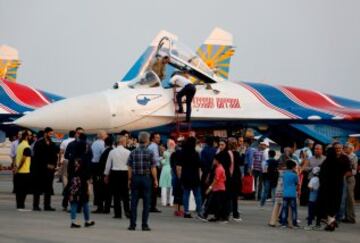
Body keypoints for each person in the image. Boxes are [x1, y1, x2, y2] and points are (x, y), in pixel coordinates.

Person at [127, 131, 158, 231]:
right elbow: (153, 167)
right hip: (146, 178)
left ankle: (132, 224)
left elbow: (129, 167)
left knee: (134, 202)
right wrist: (155, 179)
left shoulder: (133, 152)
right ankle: (144, 225)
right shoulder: (150, 152)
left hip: (135, 178)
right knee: (146, 202)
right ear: (147, 140)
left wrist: (129, 179)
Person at [317, 143, 352, 231]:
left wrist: (343, 176)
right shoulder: (329, 159)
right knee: (332, 203)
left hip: (337, 184)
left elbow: (349, 171)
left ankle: (331, 221)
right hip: (330, 185)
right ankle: (331, 222)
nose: (338, 149)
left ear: (342, 148)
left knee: (336, 202)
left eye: (340, 148)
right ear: (334, 149)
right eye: (336, 148)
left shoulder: (344, 158)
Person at [32, 127, 59, 211]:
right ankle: (35, 205)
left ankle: (47, 205)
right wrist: (46, 165)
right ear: (45, 133)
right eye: (50, 134)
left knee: (48, 187)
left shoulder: (52, 143)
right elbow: (37, 157)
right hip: (40, 169)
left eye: (52, 134)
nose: (51, 135)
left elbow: (55, 156)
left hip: (50, 170)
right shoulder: (39, 143)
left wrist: (54, 166)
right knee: (37, 188)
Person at [104, 135, 131, 219]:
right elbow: (130, 165)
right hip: (125, 172)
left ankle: (118, 213)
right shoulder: (128, 152)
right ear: (122, 142)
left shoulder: (112, 152)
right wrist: (130, 177)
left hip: (115, 173)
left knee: (116, 194)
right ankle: (127, 211)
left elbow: (108, 164)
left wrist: (106, 175)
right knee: (125, 194)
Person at [177, 137, 203, 218]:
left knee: (186, 194)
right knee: (197, 194)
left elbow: (179, 167)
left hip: (185, 175)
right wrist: (200, 176)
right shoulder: (196, 154)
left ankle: (186, 211)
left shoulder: (182, 153)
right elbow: (199, 167)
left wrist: (179, 177)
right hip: (195, 175)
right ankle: (199, 211)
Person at [68, 158, 95, 228]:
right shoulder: (84, 168)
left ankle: (74, 221)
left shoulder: (72, 168)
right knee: (85, 203)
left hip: (74, 188)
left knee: (74, 204)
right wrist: (88, 190)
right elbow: (87, 179)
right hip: (82, 188)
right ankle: (87, 221)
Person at [201, 153, 227, 223]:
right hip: (220, 188)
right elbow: (224, 179)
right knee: (216, 203)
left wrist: (209, 188)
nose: (213, 161)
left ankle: (205, 215)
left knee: (212, 202)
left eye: (214, 160)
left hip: (218, 189)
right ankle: (217, 216)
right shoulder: (221, 167)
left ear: (217, 161)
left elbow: (216, 180)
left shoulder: (218, 169)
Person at [14, 130, 32, 210]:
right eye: (30, 136)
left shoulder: (19, 145)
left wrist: (15, 168)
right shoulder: (27, 147)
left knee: (18, 190)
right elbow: (24, 159)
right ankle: (21, 205)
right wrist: (18, 168)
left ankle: (18, 204)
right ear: (26, 137)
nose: (31, 137)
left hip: (18, 171)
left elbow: (16, 157)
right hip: (24, 171)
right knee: (24, 190)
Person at [340, 143, 358, 223]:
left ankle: (351, 217)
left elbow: (354, 170)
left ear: (350, 149)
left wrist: (345, 174)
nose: (344, 149)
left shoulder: (354, 157)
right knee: (344, 198)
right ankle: (345, 216)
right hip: (343, 178)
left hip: (350, 179)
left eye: (346, 148)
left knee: (350, 198)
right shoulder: (343, 156)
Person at [90, 130, 107, 213]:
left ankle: (98, 204)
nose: (107, 136)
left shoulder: (94, 143)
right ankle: (101, 205)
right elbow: (103, 156)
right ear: (102, 136)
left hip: (93, 166)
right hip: (100, 166)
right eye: (106, 134)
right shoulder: (103, 144)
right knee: (101, 186)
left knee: (96, 186)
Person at [59, 130, 76, 211]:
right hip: (75, 162)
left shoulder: (65, 141)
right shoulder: (76, 142)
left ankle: (65, 188)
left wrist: (59, 161)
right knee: (72, 179)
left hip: (66, 160)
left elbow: (61, 152)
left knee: (65, 176)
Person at [280, 160, 299, 228]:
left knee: (285, 208)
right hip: (292, 194)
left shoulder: (284, 174)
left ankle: (283, 223)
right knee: (293, 209)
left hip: (285, 194)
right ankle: (294, 223)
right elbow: (297, 183)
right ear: (293, 167)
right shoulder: (294, 175)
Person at [97, 136, 113, 214]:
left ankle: (101, 207)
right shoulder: (112, 151)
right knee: (108, 192)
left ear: (105, 143)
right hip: (111, 173)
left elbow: (103, 164)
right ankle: (107, 208)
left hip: (104, 173)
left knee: (101, 191)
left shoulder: (106, 152)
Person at [227, 137, 242, 221]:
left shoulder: (226, 153)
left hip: (229, 176)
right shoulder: (236, 153)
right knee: (234, 196)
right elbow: (240, 162)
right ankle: (235, 214)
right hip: (236, 176)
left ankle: (228, 212)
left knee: (228, 195)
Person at [147, 132, 162, 213]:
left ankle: (151, 205)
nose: (158, 139)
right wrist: (162, 157)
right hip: (154, 167)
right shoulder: (154, 146)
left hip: (151, 167)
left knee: (152, 187)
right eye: (157, 137)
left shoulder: (150, 146)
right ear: (152, 138)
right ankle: (152, 206)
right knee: (154, 187)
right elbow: (155, 159)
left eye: (159, 137)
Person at [159, 139, 175, 206]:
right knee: (171, 187)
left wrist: (161, 160)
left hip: (165, 169)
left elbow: (163, 162)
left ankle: (164, 202)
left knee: (164, 186)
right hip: (172, 169)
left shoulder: (165, 153)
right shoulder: (175, 152)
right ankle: (171, 202)